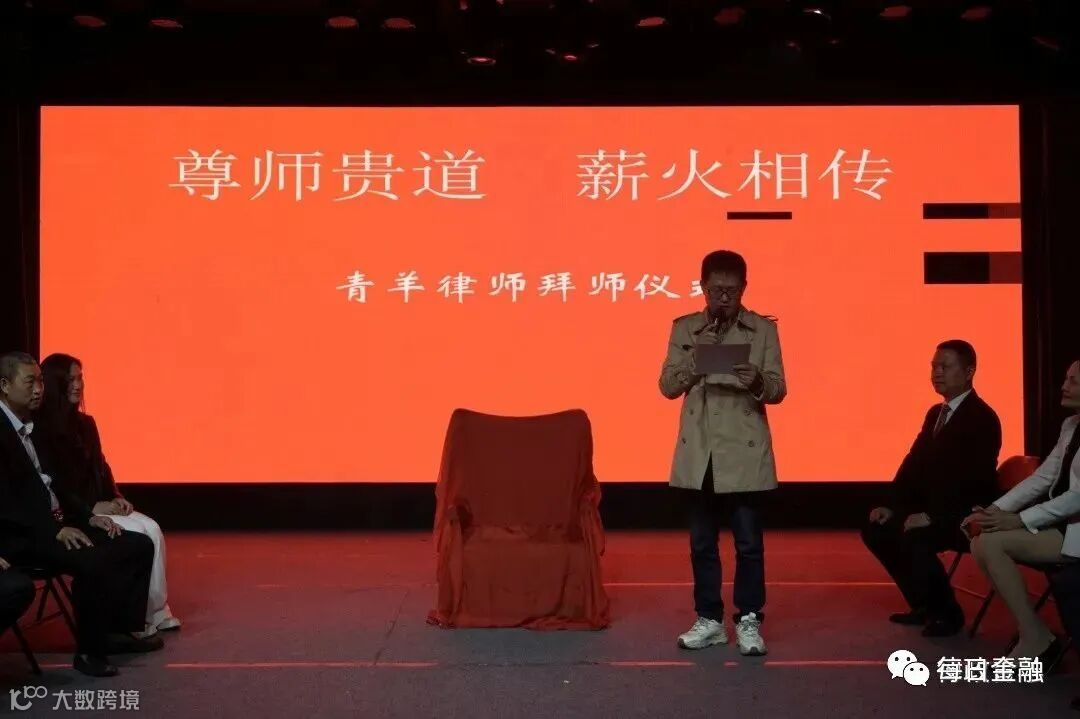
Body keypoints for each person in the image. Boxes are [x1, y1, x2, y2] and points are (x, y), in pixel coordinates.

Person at [0, 351, 161, 677]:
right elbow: (7, 503)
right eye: (30, 382)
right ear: (4, 385)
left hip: (55, 524)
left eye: (40, 381)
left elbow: (54, 484)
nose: (39, 390)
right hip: (21, 535)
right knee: (93, 560)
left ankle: (114, 630)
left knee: (137, 546)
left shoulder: (31, 426)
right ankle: (89, 651)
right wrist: (53, 530)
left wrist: (88, 516)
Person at [659, 250, 786, 656]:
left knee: (748, 543)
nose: (724, 298)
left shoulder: (762, 330)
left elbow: (779, 388)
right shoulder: (686, 328)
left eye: (732, 290)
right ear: (703, 287)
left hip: (743, 451)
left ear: (744, 287)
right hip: (701, 451)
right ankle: (709, 619)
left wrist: (757, 380)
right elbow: (667, 386)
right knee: (702, 543)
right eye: (717, 290)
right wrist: (696, 362)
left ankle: (749, 618)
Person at [862, 340, 1001, 637]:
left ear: (969, 372)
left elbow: (973, 483)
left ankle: (947, 613)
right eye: (934, 366)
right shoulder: (935, 413)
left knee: (916, 537)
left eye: (945, 367)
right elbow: (913, 464)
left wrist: (932, 517)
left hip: (965, 514)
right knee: (876, 528)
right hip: (934, 507)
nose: (937, 373)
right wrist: (891, 505)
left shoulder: (983, 419)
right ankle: (923, 604)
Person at [36, 353, 181, 634]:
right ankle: (135, 619)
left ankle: (157, 611)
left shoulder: (86, 424)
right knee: (138, 535)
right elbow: (55, 485)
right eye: (71, 379)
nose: (78, 385)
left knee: (152, 528)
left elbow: (102, 467)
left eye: (80, 378)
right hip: (76, 513)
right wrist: (91, 509)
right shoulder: (40, 431)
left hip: (100, 505)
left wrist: (116, 496)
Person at [964, 359, 1080, 661]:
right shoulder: (1071, 425)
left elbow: (1077, 498)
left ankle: (1035, 636)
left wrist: (1017, 519)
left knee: (992, 542)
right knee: (981, 540)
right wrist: (993, 511)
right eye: (1066, 378)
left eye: (1073, 381)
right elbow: (1043, 478)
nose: (1064, 386)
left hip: (1076, 530)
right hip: (1063, 523)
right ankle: (1034, 632)